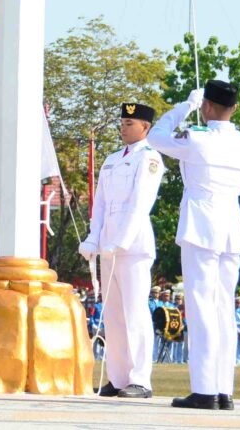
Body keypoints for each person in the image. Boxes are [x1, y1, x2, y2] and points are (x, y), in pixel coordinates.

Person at [148, 81, 240, 411]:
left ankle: (204, 389)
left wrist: (185, 106)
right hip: (231, 225)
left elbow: (155, 136)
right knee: (225, 308)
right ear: (234, 108)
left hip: (201, 223)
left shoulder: (196, 139)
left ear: (207, 106)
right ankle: (224, 390)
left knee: (201, 307)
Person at [79, 103, 165, 399]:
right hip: (108, 245)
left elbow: (142, 202)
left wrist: (122, 239)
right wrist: (94, 238)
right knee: (113, 315)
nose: (124, 127)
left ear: (145, 127)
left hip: (134, 245)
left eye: (130, 123)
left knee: (136, 313)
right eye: (122, 122)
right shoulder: (113, 160)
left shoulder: (150, 158)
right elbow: (100, 204)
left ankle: (140, 380)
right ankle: (117, 378)